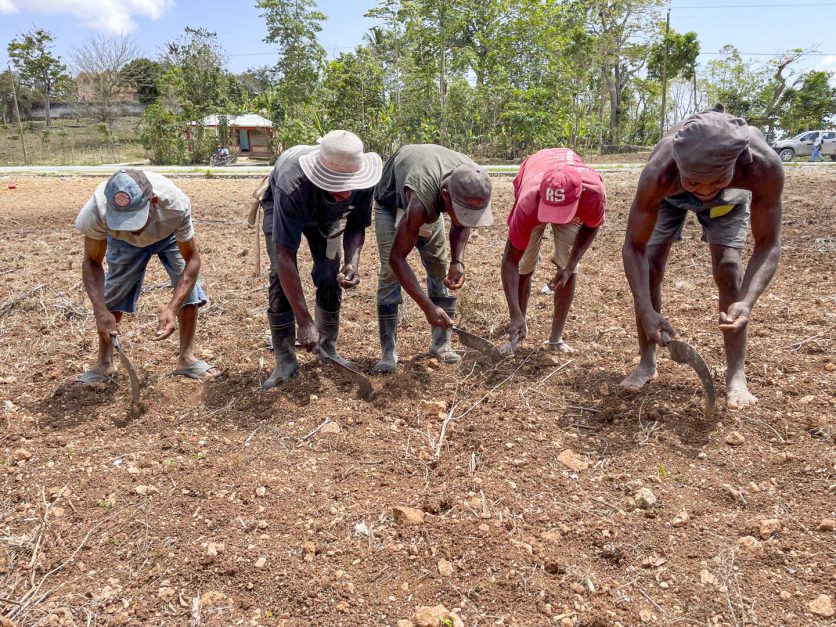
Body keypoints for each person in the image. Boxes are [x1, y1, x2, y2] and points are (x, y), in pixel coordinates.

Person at [621, 104, 784, 408]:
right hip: (672, 194)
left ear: (739, 162)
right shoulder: (661, 171)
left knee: (729, 269)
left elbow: (768, 243)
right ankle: (647, 362)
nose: (704, 191)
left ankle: (736, 375)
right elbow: (634, 247)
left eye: (714, 181)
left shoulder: (762, 166)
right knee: (651, 267)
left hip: (731, 196)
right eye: (696, 183)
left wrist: (747, 302)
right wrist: (645, 309)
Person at [260, 130, 382, 389]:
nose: (345, 194)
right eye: (336, 187)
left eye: (349, 187)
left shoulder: (364, 180)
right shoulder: (292, 185)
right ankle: (285, 361)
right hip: (283, 206)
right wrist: (304, 321)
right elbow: (285, 256)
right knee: (279, 278)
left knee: (329, 272)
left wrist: (352, 263)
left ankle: (328, 348)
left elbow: (357, 225)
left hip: (326, 217)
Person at [75, 169, 217, 382]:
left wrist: (172, 308)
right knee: (114, 293)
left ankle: (186, 359)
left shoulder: (176, 206)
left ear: (154, 201)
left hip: (168, 235)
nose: (134, 229)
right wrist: (99, 310)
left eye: (136, 218)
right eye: (124, 219)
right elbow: (92, 261)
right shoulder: (96, 212)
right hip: (121, 242)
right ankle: (104, 364)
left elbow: (192, 261)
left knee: (187, 290)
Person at [373, 144, 493, 373]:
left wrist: (457, 261)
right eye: (460, 210)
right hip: (391, 204)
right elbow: (397, 258)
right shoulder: (421, 200)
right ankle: (388, 351)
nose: (465, 216)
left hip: (429, 194)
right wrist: (427, 307)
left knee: (438, 267)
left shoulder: (474, 180)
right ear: (446, 196)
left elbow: (463, 220)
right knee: (390, 275)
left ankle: (441, 343)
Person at [502, 148, 606, 352]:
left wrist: (570, 265)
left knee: (568, 264)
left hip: (573, 204)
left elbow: (591, 226)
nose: (554, 218)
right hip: (535, 198)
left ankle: (555, 339)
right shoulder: (528, 202)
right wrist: (514, 313)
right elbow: (510, 261)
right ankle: (517, 330)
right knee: (524, 264)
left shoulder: (593, 194)